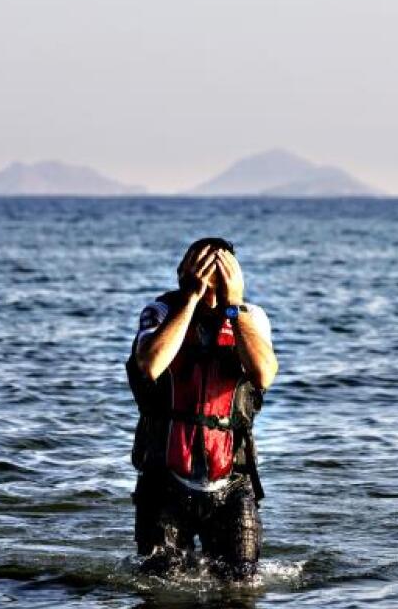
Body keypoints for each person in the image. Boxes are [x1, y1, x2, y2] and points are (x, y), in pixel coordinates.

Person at [125, 237, 278, 579]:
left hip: (232, 483)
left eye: (219, 271)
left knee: (241, 587)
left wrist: (233, 303)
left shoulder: (252, 318)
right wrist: (191, 298)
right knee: (159, 587)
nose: (210, 279)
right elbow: (150, 364)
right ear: (183, 272)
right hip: (164, 480)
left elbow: (264, 373)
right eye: (200, 269)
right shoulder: (160, 312)